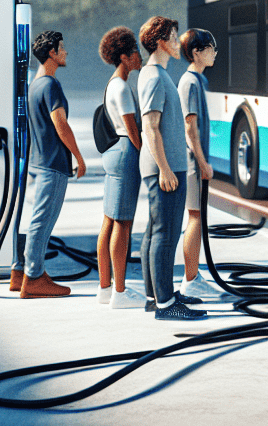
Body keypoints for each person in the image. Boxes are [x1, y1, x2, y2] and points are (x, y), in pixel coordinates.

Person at [136, 16, 206, 321]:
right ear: (160, 41)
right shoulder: (153, 76)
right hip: (165, 168)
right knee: (165, 235)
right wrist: (164, 169)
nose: (179, 43)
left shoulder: (158, 74)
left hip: (167, 166)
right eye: (174, 38)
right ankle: (165, 305)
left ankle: (156, 297)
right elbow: (150, 127)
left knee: (156, 233)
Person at [10, 30, 86, 298]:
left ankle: (19, 272)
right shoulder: (51, 85)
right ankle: (33, 278)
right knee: (42, 223)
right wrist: (78, 157)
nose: (65, 52)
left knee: (36, 220)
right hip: (53, 164)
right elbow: (60, 124)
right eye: (61, 48)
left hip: (40, 162)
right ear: (52, 53)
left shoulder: (35, 84)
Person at [95, 27, 145, 309]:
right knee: (123, 224)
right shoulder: (123, 87)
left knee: (109, 220)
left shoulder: (111, 84)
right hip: (126, 152)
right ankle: (121, 292)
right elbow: (132, 130)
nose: (139, 55)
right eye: (135, 51)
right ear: (124, 57)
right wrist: (147, 155)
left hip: (112, 152)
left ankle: (105, 288)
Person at [176, 28, 224, 301]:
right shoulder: (190, 83)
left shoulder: (197, 80)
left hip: (196, 160)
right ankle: (190, 280)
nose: (215, 53)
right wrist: (203, 163)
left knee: (197, 216)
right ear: (197, 52)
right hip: (192, 161)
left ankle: (193, 276)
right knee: (194, 216)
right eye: (211, 48)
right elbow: (189, 128)